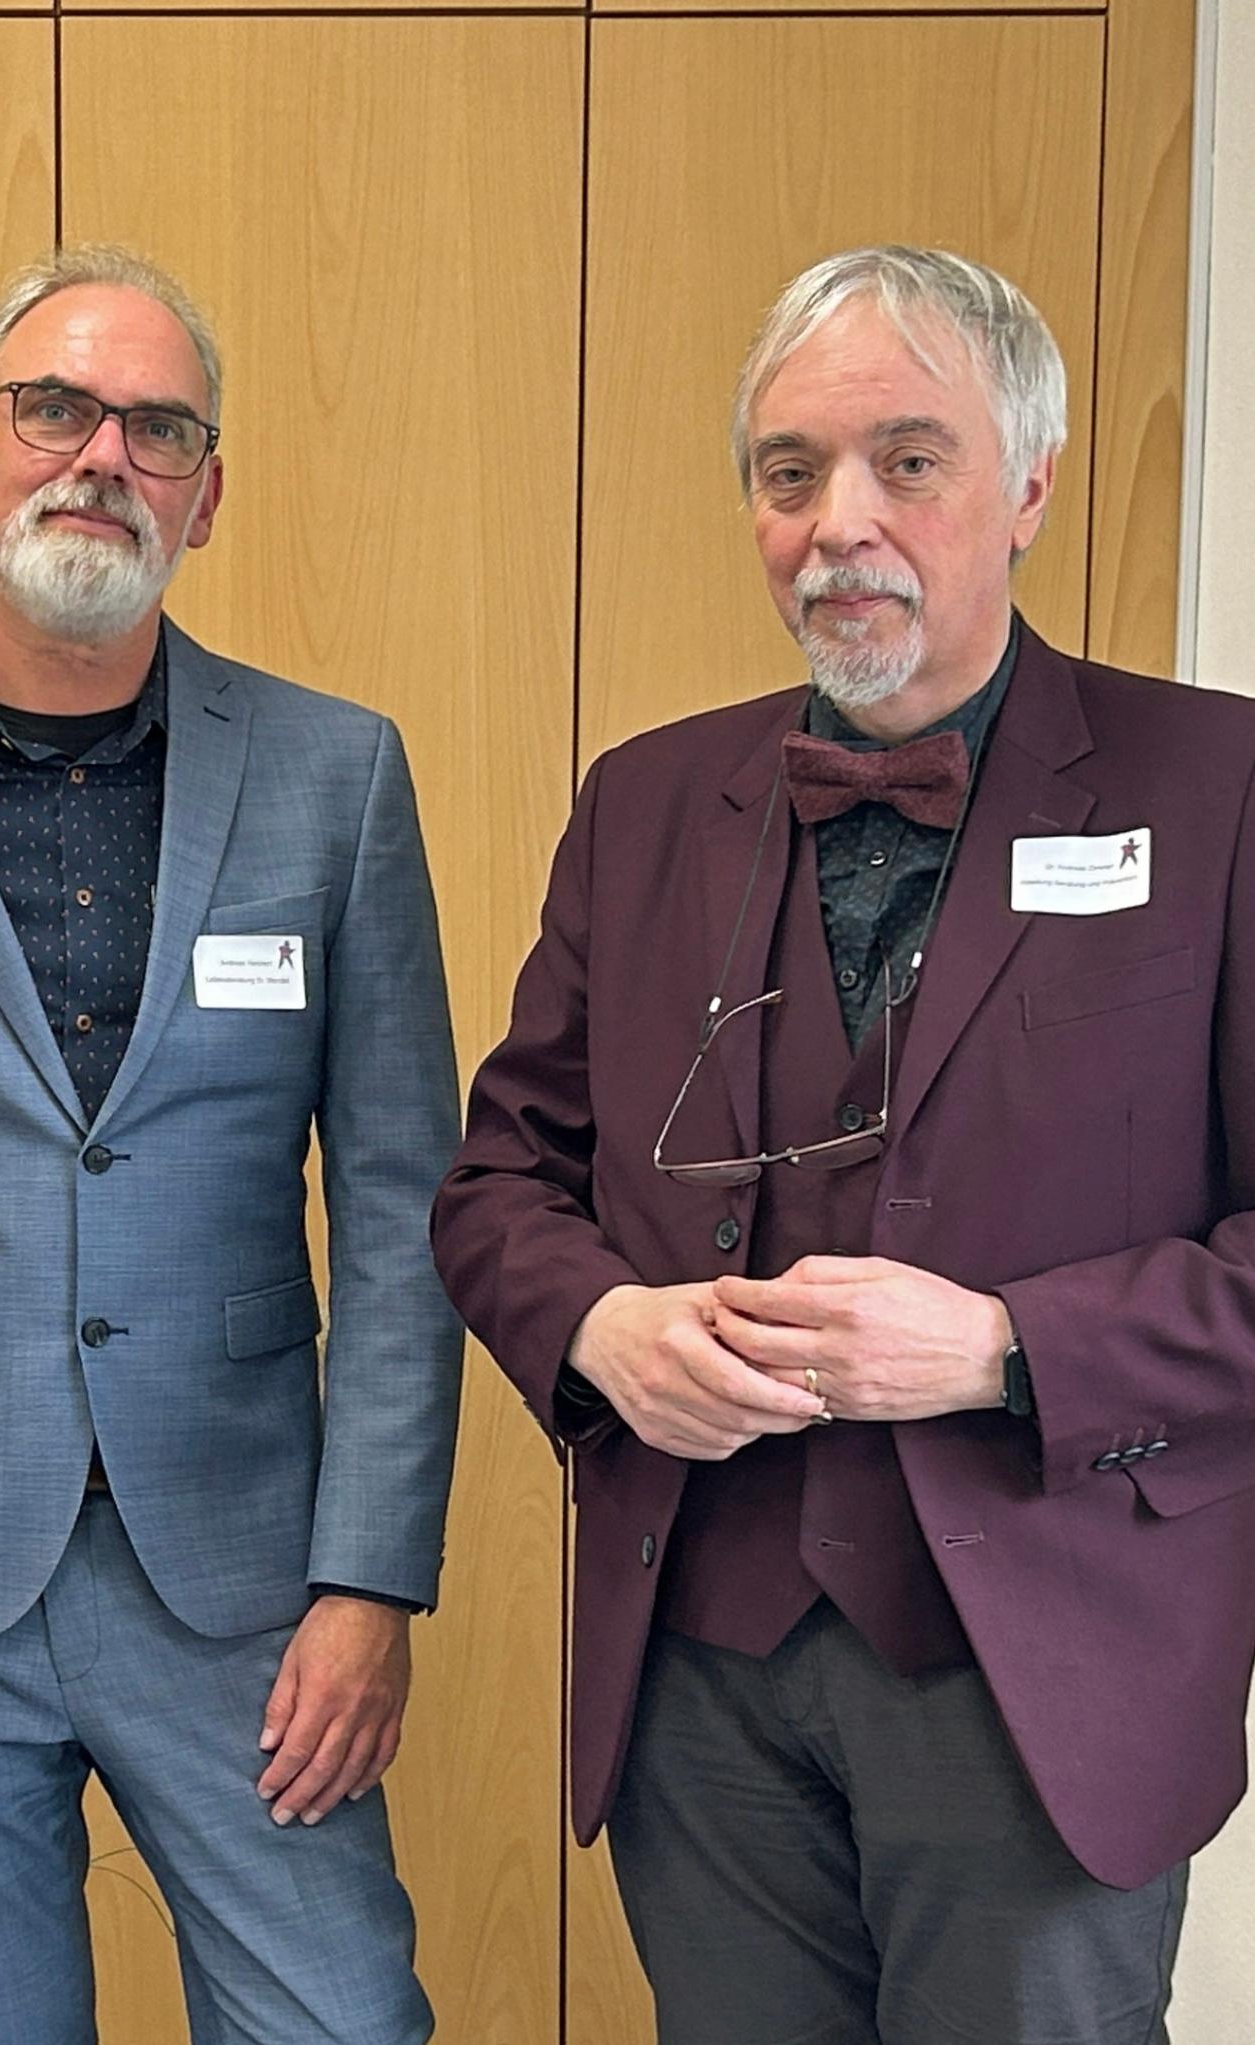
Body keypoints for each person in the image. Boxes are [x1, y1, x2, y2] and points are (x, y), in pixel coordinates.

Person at [434, 245, 1255, 2041]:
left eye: (908, 458)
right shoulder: (645, 799)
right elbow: (503, 1176)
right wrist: (600, 1330)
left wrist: (1005, 1347)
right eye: (786, 471)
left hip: (1044, 1678)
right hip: (695, 1677)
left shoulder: (1218, 788)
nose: (836, 523)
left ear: (1026, 484)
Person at [0, 245, 461, 2045]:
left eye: (155, 427)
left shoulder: (332, 775)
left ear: (206, 493)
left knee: (340, 2021)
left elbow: (396, 1207)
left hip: (240, 1590)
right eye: (52, 407)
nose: (98, 455)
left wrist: (370, 1576)